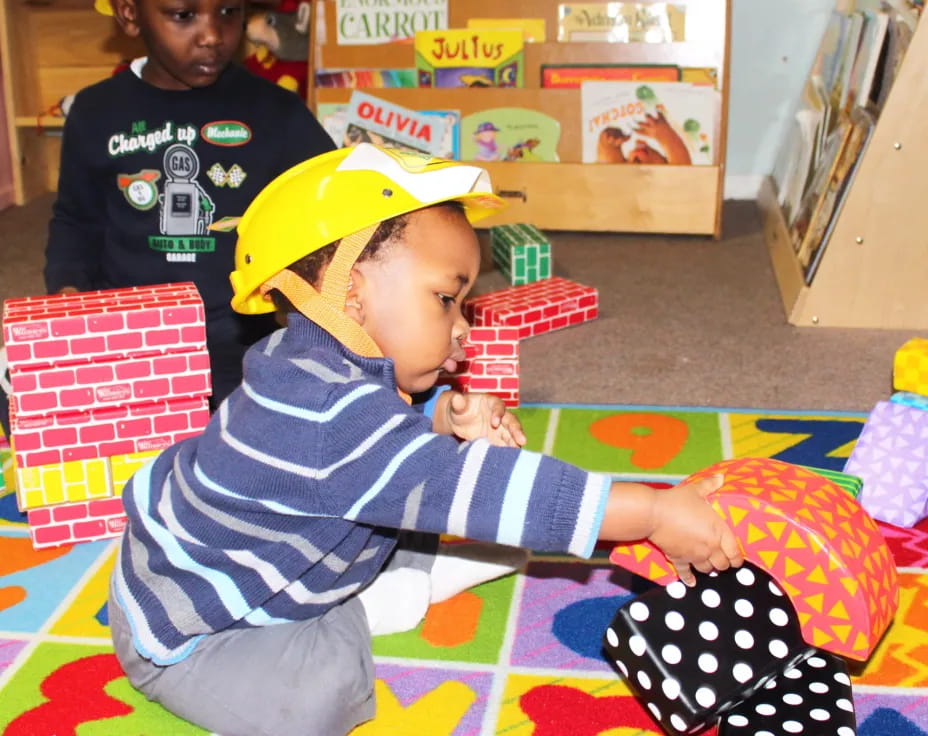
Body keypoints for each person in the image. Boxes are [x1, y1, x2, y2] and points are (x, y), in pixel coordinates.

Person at [108, 144, 743, 736]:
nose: (463, 328)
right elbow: (480, 485)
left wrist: (439, 418)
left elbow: (361, 446)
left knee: (436, 505)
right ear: (350, 293)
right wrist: (653, 511)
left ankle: (392, 575)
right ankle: (378, 601)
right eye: (446, 300)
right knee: (317, 699)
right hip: (194, 630)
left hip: (231, 552)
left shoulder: (310, 363)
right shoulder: (326, 411)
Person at [43, 0, 335, 411]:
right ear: (130, 15)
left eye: (229, 12)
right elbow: (76, 219)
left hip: (246, 337)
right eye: (184, 16)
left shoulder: (278, 111)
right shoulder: (96, 112)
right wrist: (67, 291)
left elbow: (329, 204)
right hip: (131, 336)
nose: (213, 35)